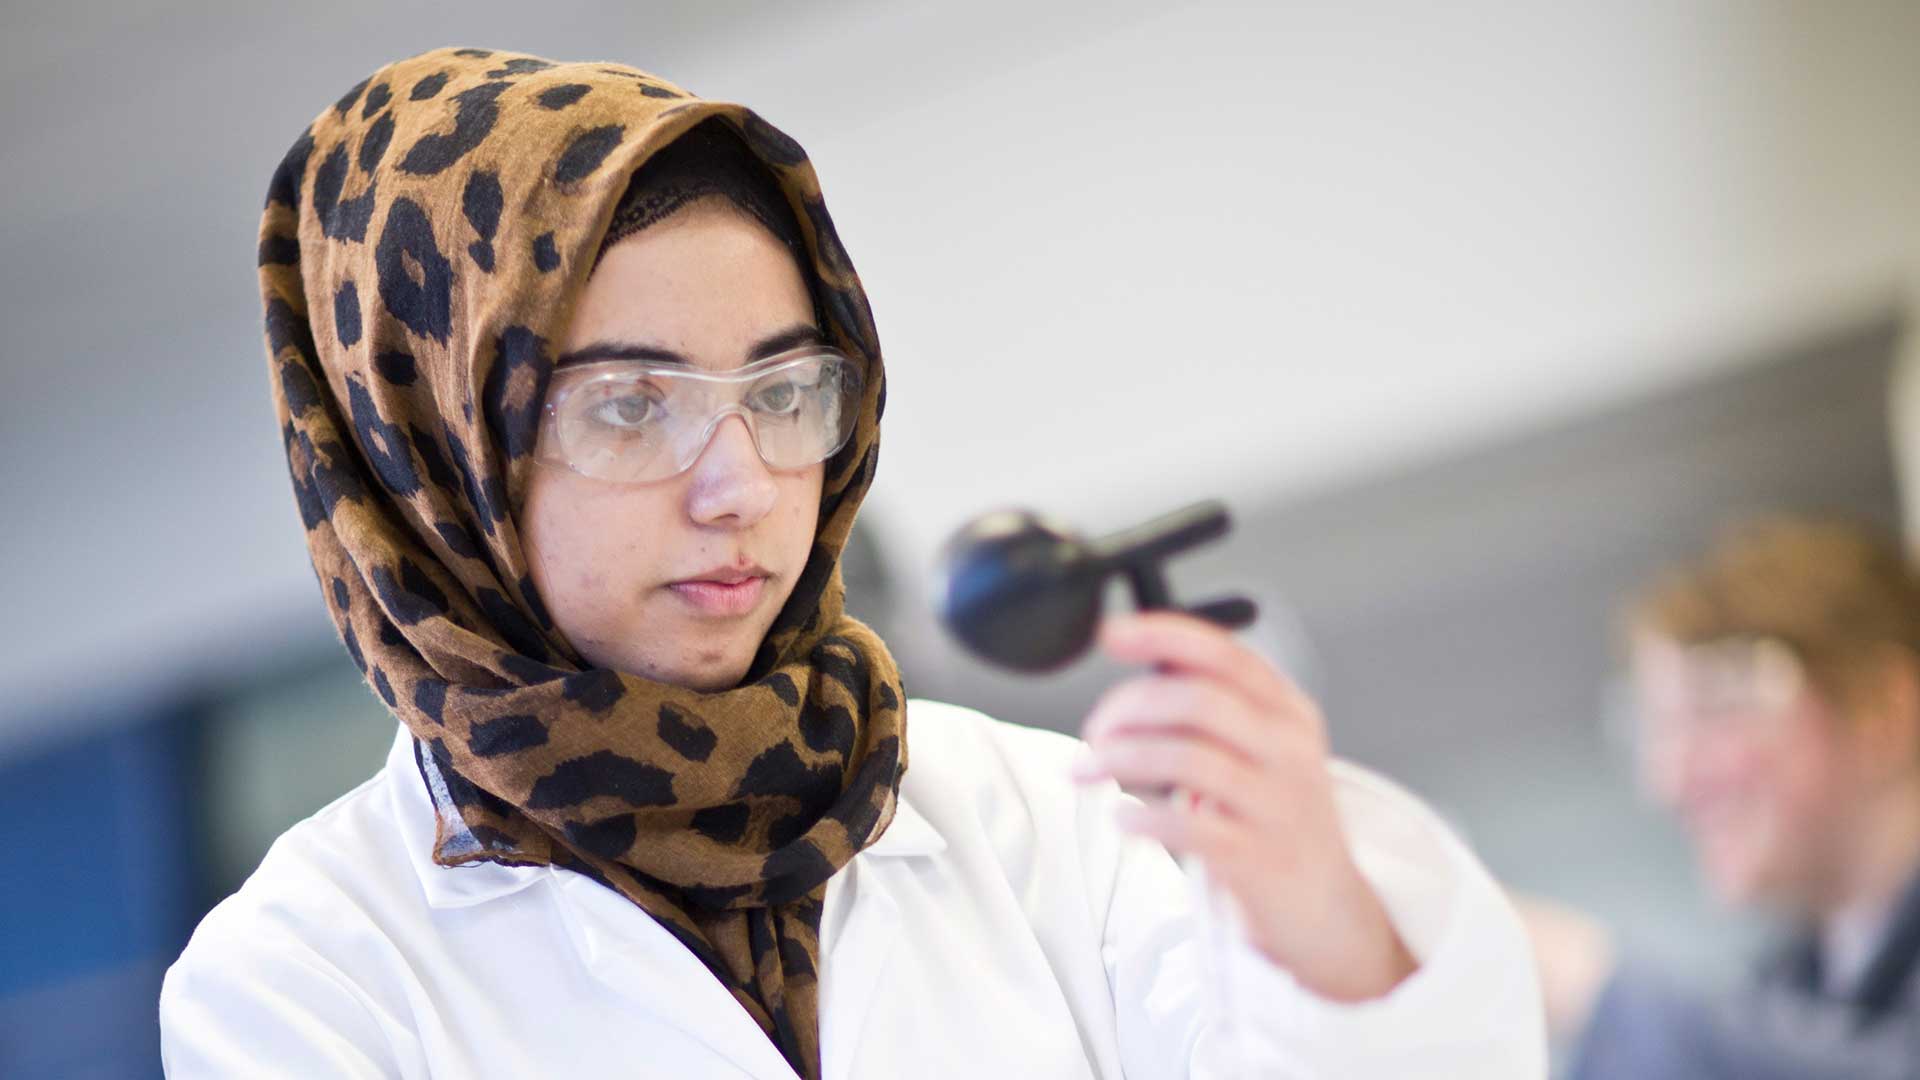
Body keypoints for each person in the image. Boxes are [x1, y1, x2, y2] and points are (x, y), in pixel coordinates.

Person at [158, 45, 1544, 1078]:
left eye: (783, 390)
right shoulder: (305, 979)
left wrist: (1326, 930)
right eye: (632, 406)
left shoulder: (1045, 824)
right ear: (428, 455)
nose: (744, 486)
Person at [1522, 518, 1920, 1078]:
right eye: (1659, 729)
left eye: (1713, 709)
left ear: (1883, 709)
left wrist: (1590, 987)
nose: (1669, 782)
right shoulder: (1788, 996)